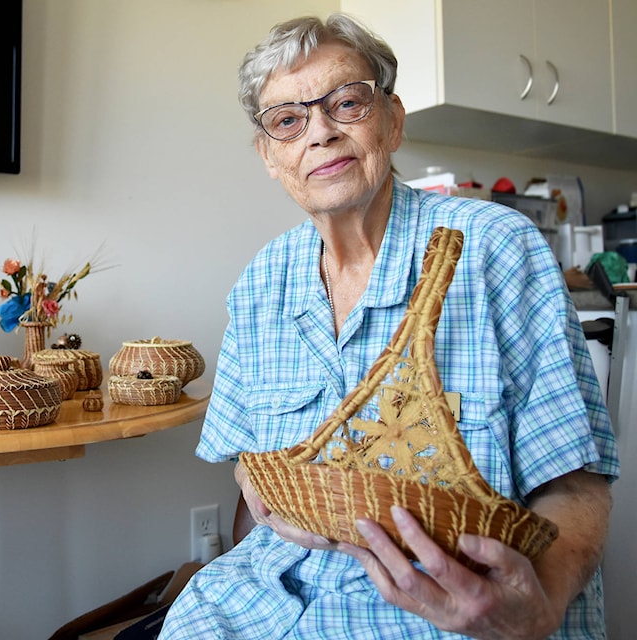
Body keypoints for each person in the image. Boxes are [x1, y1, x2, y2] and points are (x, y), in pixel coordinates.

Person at [159, 14, 619, 640]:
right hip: (262, 600)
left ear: (393, 120)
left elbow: (577, 488)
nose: (319, 132)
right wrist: (267, 495)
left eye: (347, 103)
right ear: (271, 156)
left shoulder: (495, 250)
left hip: (437, 613)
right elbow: (247, 462)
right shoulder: (260, 282)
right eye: (288, 121)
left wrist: (537, 608)